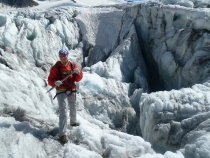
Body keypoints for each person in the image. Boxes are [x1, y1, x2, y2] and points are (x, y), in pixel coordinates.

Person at [48, 48, 83, 144]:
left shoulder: (73, 65)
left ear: (67, 55)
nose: (63, 57)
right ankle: (62, 134)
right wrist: (55, 82)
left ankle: (73, 121)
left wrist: (78, 72)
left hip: (71, 89)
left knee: (73, 106)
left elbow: (78, 78)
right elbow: (50, 80)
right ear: (59, 57)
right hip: (61, 90)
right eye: (61, 56)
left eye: (64, 55)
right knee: (63, 110)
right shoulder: (55, 67)